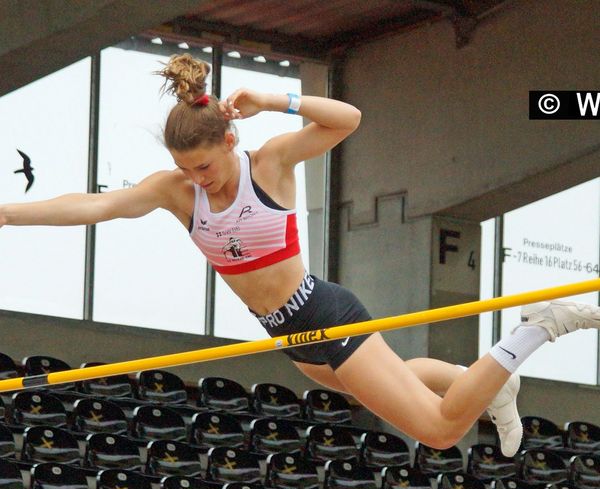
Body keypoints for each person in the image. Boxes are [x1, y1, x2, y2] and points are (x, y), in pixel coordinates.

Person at [2, 53, 599, 457]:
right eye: (187, 168)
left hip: (323, 315)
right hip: (291, 337)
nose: (198, 179)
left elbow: (348, 119)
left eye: (204, 165)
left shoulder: (272, 163)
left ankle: (538, 328)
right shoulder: (175, 189)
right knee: (378, 385)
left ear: (230, 140)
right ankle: (495, 389)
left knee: (441, 431)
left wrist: (272, 98)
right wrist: (6, 214)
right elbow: (91, 207)